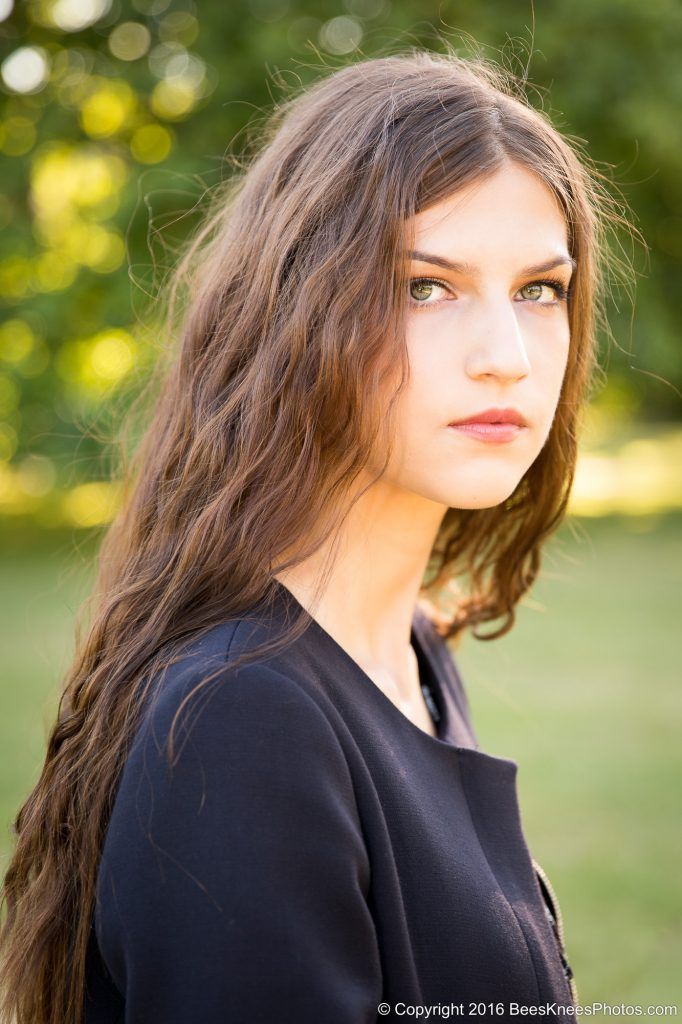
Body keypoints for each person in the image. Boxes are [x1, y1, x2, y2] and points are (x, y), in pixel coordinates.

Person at [0, 46, 633, 1024]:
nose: (506, 356)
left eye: (538, 290)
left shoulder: (409, 654)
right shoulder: (241, 722)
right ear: (299, 307)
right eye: (427, 284)